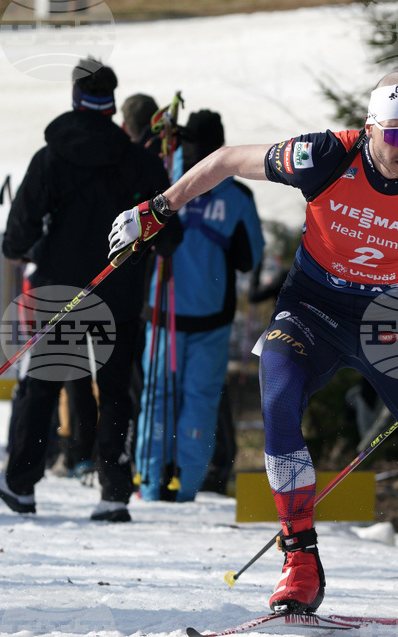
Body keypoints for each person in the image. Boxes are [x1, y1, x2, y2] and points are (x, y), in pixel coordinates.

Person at [108, 73, 398, 632]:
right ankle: (300, 559)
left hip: (389, 322)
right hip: (311, 310)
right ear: (370, 130)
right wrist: (159, 208)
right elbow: (224, 160)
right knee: (279, 397)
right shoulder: (323, 156)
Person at [0, 57, 174, 522]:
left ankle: (21, 483)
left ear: (76, 97)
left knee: (45, 385)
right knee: (115, 391)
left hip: (62, 291)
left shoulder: (52, 156)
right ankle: (114, 493)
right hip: (119, 290)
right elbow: (171, 234)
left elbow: (19, 230)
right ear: (112, 103)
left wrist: (24, 247)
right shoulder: (140, 160)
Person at [134, 109, 265, 502]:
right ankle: (186, 486)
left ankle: (149, 481)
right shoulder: (237, 196)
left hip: (161, 316)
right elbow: (249, 258)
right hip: (210, 318)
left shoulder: (163, 184)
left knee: (156, 397)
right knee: (200, 400)